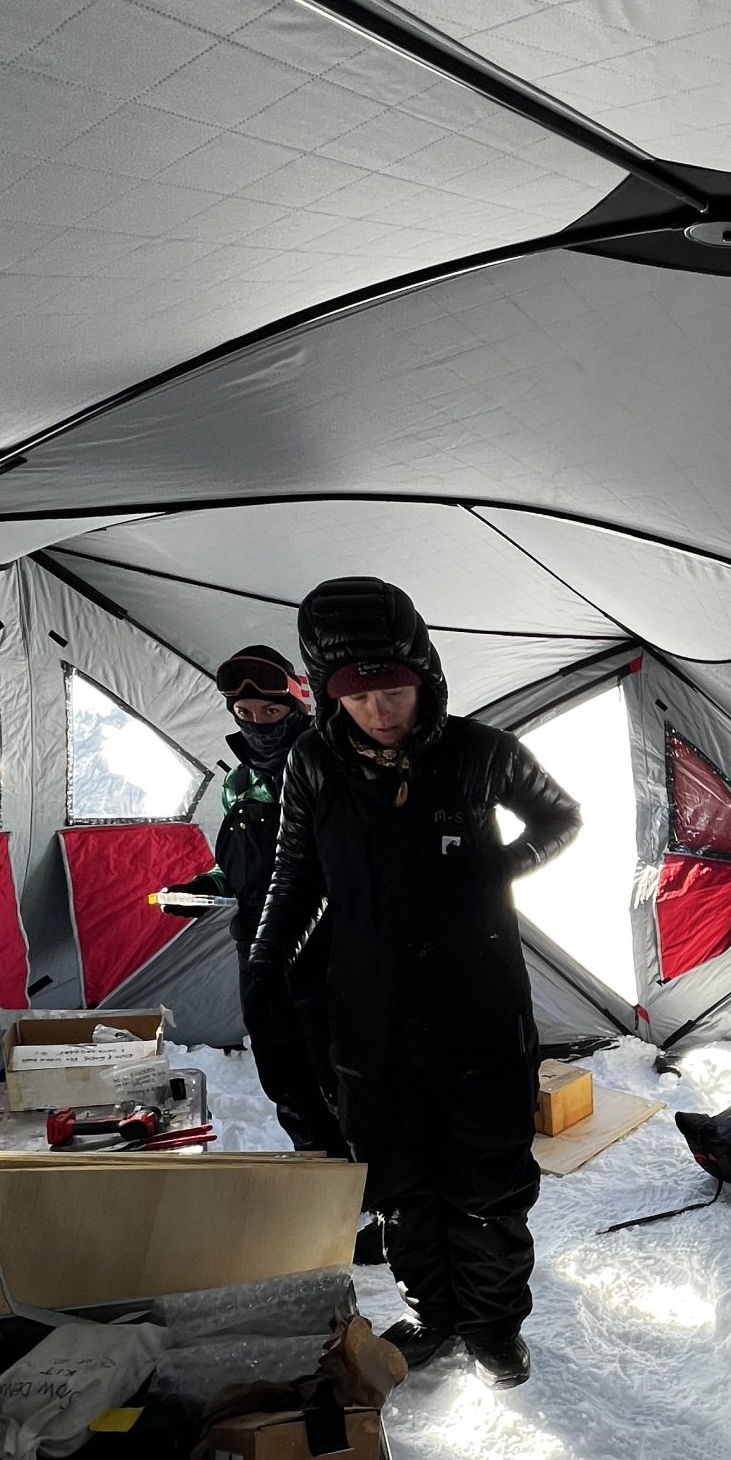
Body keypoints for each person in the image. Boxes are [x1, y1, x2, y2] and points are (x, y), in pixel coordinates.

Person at [247, 578, 580, 1388]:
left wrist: (498, 869)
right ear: (330, 695)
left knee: (489, 1185)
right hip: (368, 1017)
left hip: (479, 1013)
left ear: (425, 677)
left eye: (393, 690)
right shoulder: (314, 764)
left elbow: (560, 817)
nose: (378, 710)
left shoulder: (480, 752)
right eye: (357, 696)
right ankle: (435, 1312)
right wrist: (265, 959)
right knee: (400, 1187)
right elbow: (296, 875)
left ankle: (495, 1324)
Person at [164, 646, 347, 1160]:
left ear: (298, 708)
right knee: (282, 1070)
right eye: (244, 715)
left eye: (271, 712)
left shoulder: (331, 769)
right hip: (258, 954)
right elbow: (240, 869)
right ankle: (319, 1170)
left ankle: (374, 1185)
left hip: (326, 951)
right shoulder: (239, 783)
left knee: (339, 1071)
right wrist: (205, 889)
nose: (258, 725)